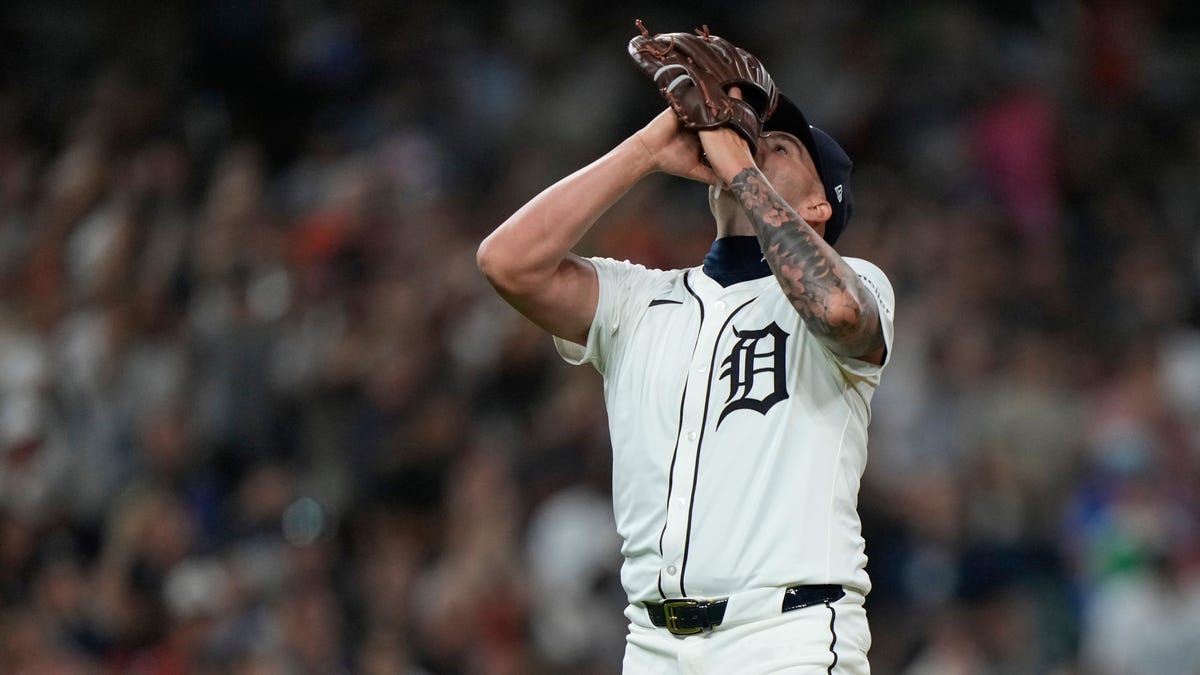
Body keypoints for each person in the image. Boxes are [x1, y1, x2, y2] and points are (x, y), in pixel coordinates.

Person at [477, 82, 894, 673]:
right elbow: (506, 263)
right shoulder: (638, 299)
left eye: (778, 146)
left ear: (817, 207)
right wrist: (645, 150)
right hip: (654, 643)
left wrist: (741, 169)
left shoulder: (860, 281)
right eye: (746, 136)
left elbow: (841, 312)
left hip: (787, 635)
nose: (748, 143)